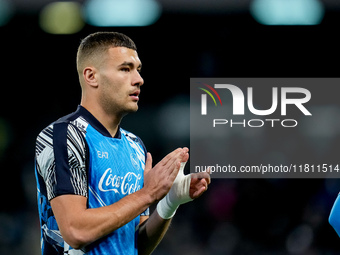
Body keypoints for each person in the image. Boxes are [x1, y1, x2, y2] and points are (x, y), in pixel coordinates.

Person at [35, 31, 211, 255]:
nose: (139, 79)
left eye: (138, 70)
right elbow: (75, 231)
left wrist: (169, 202)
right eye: (125, 69)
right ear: (91, 76)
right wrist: (148, 194)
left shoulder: (135, 146)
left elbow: (138, 245)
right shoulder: (63, 136)